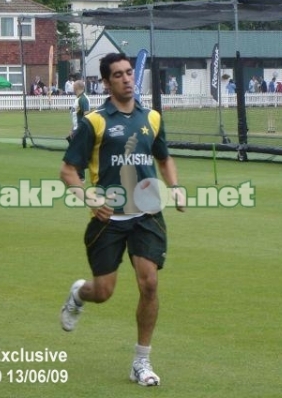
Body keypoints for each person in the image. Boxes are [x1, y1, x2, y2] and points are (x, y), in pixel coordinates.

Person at [59, 52, 186, 387]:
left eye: (130, 72)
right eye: (118, 75)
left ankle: (141, 362)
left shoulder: (153, 118)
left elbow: (164, 159)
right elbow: (68, 171)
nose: (127, 79)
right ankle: (78, 295)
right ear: (106, 82)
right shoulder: (96, 122)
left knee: (149, 282)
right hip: (109, 218)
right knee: (103, 292)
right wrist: (88, 197)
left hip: (147, 214)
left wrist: (175, 187)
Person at [67, 80, 91, 181]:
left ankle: (81, 176)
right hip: (76, 129)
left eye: (73, 85)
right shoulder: (78, 99)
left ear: (77, 87)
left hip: (80, 130)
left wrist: (79, 129)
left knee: (78, 152)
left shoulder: (83, 99)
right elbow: (76, 116)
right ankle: (77, 173)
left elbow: (86, 115)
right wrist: (73, 128)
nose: (72, 87)